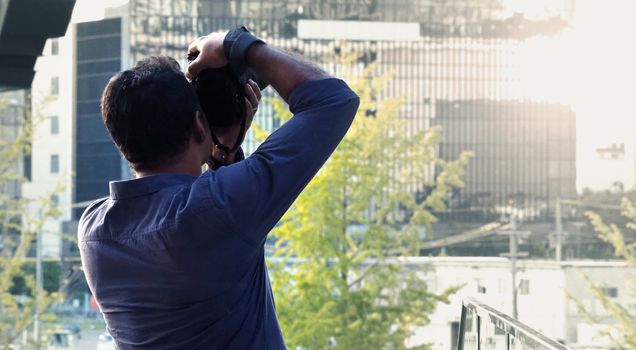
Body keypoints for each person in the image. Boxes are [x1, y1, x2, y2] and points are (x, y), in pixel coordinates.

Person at [78, 27, 360, 349]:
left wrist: (223, 155)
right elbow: (333, 101)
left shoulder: (94, 230)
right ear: (200, 125)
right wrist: (237, 45)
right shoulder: (219, 208)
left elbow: (204, 234)